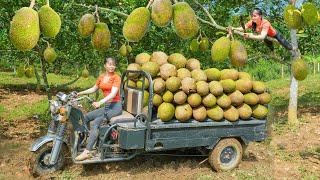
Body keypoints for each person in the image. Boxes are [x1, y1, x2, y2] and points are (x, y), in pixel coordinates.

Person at [75, 57, 122, 161]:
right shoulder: (101, 77)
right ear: (105, 65)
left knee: (96, 122)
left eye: (113, 64)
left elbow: (113, 94)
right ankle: (87, 141)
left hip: (115, 107)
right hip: (107, 106)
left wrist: (99, 102)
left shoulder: (116, 77)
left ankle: (87, 152)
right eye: (109, 64)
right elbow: (93, 88)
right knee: (86, 117)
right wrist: (79, 93)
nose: (111, 66)